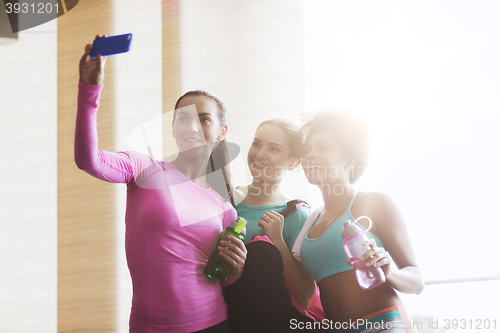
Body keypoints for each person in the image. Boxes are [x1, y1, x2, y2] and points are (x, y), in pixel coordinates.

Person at [75, 35, 247, 333]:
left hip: (214, 323)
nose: (191, 126)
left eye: (204, 119)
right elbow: (89, 160)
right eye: (182, 118)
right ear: (173, 128)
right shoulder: (145, 169)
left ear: (222, 132)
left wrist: (236, 270)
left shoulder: (225, 208)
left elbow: (221, 277)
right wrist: (90, 90)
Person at [292, 110, 424, 332]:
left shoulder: (374, 203)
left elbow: (417, 281)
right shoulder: (310, 220)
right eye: (307, 150)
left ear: (349, 160)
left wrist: (389, 272)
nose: (310, 156)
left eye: (323, 148)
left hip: (384, 324)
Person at [224, 118, 326, 332]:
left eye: (274, 149)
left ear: (293, 162)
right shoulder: (224, 198)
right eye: (257, 143)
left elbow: (306, 297)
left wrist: (278, 242)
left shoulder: (296, 215)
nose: (260, 154)